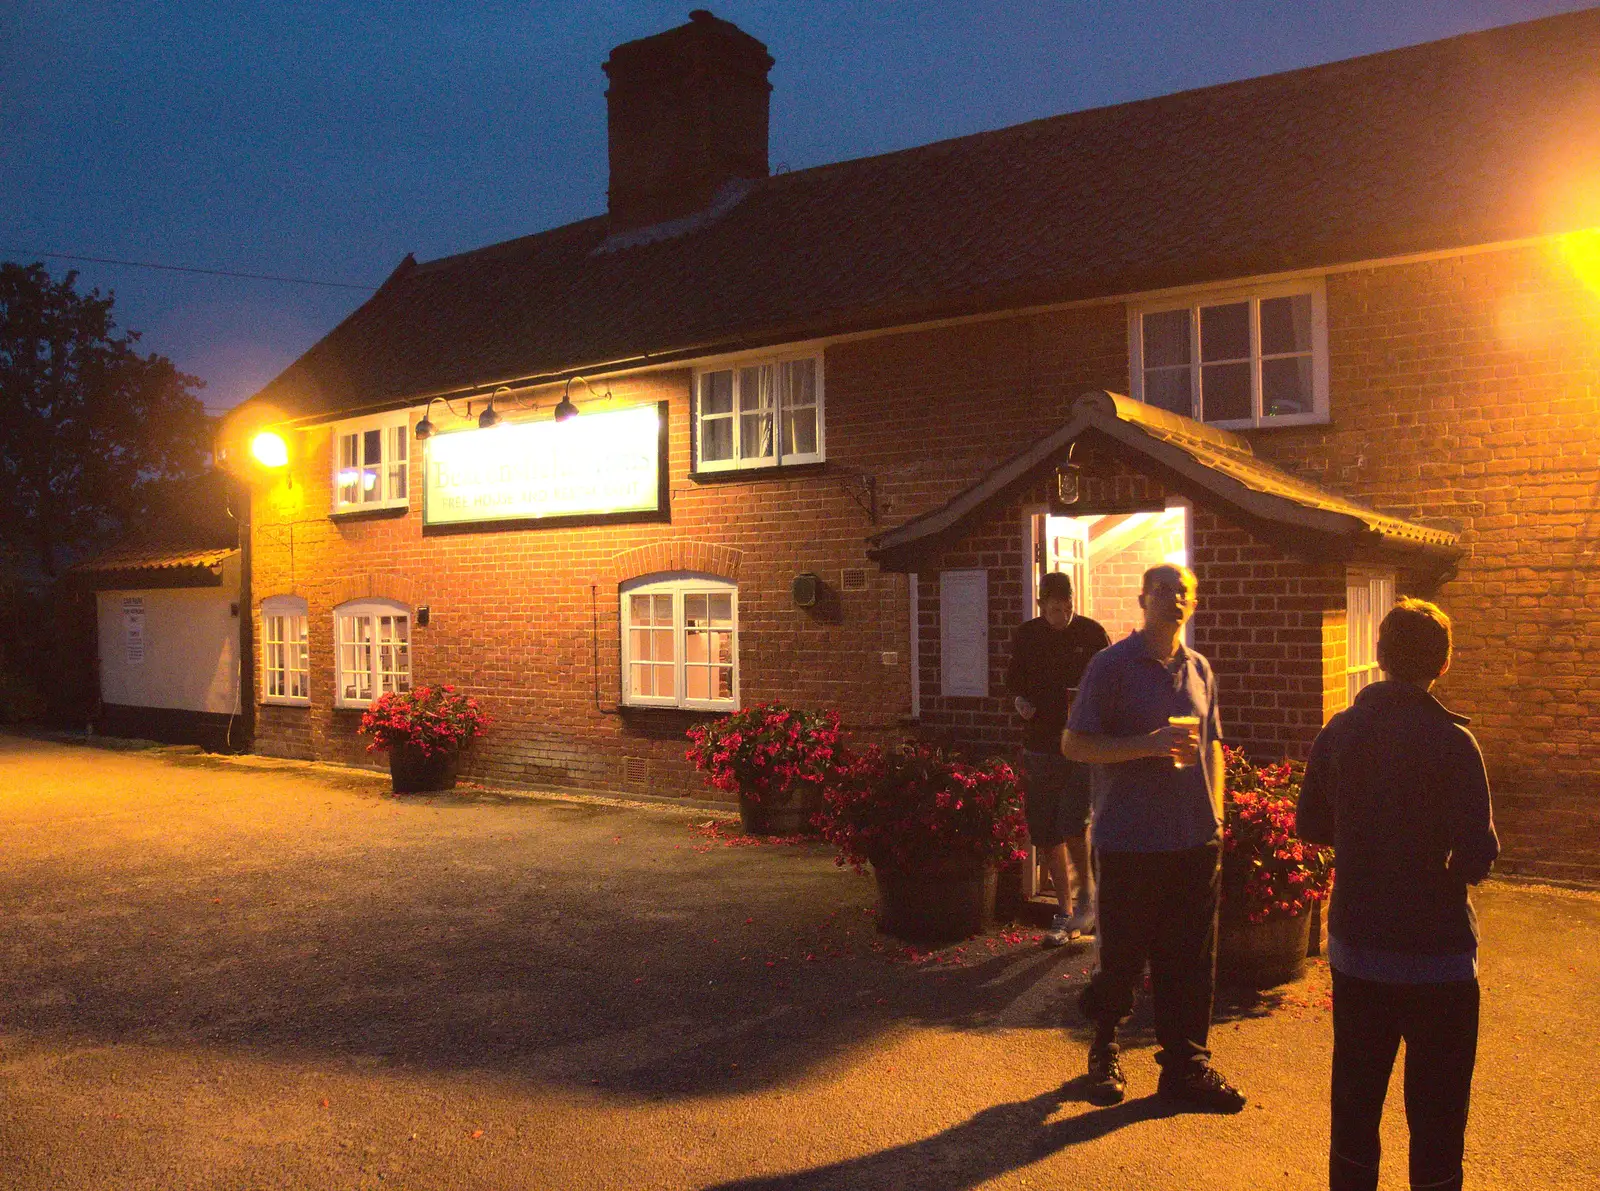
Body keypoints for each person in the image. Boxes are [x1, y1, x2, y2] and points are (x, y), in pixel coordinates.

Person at [1296, 598, 1497, 1191]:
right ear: (1443, 663)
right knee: (1437, 1117)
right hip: (1439, 959)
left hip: (1359, 949)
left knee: (1356, 1106)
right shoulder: (1455, 742)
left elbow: (1310, 827)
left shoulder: (1340, 732)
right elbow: (1478, 856)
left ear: (1378, 656)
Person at [1061, 563, 1245, 1112]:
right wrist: (1150, 744)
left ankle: (1186, 1069)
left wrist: (1217, 816)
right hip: (1129, 839)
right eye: (1163, 590)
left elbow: (1212, 745)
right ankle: (1103, 1050)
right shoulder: (1111, 666)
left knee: (1190, 960)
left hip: (1193, 839)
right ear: (1143, 599)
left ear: (1194, 602)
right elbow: (1075, 745)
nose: (1175, 598)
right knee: (1121, 957)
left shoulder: (1200, 669)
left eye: (1184, 590)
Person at [1004, 570, 1110, 946]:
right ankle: (1065, 912)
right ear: (1040, 605)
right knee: (1046, 830)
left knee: (1072, 823)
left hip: (1079, 746)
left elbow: (1109, 684)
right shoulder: (1028, 636)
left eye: (1066, 609)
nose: (1061, 617)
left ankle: (1087, 902)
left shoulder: (1092, 635)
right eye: (1053, 611)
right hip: (1040, 743)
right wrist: (1020, 703)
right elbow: (1013, 682)